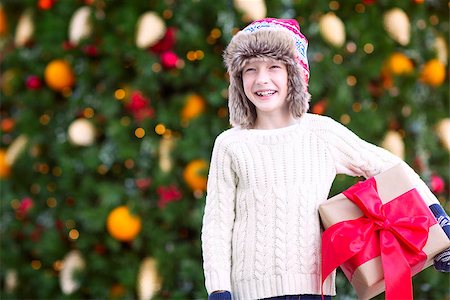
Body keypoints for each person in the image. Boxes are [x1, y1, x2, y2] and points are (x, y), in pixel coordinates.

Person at [201, 18, 450, 300]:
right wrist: (219, 288)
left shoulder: (321, 132)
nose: (262, 79)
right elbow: (217, 224)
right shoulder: (230, 144)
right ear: (238, 80)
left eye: (274, 67)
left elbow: (391, 168)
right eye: (250, 69)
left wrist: (438, 222)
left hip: (312, 291)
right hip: (247, 292)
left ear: (294, 75)